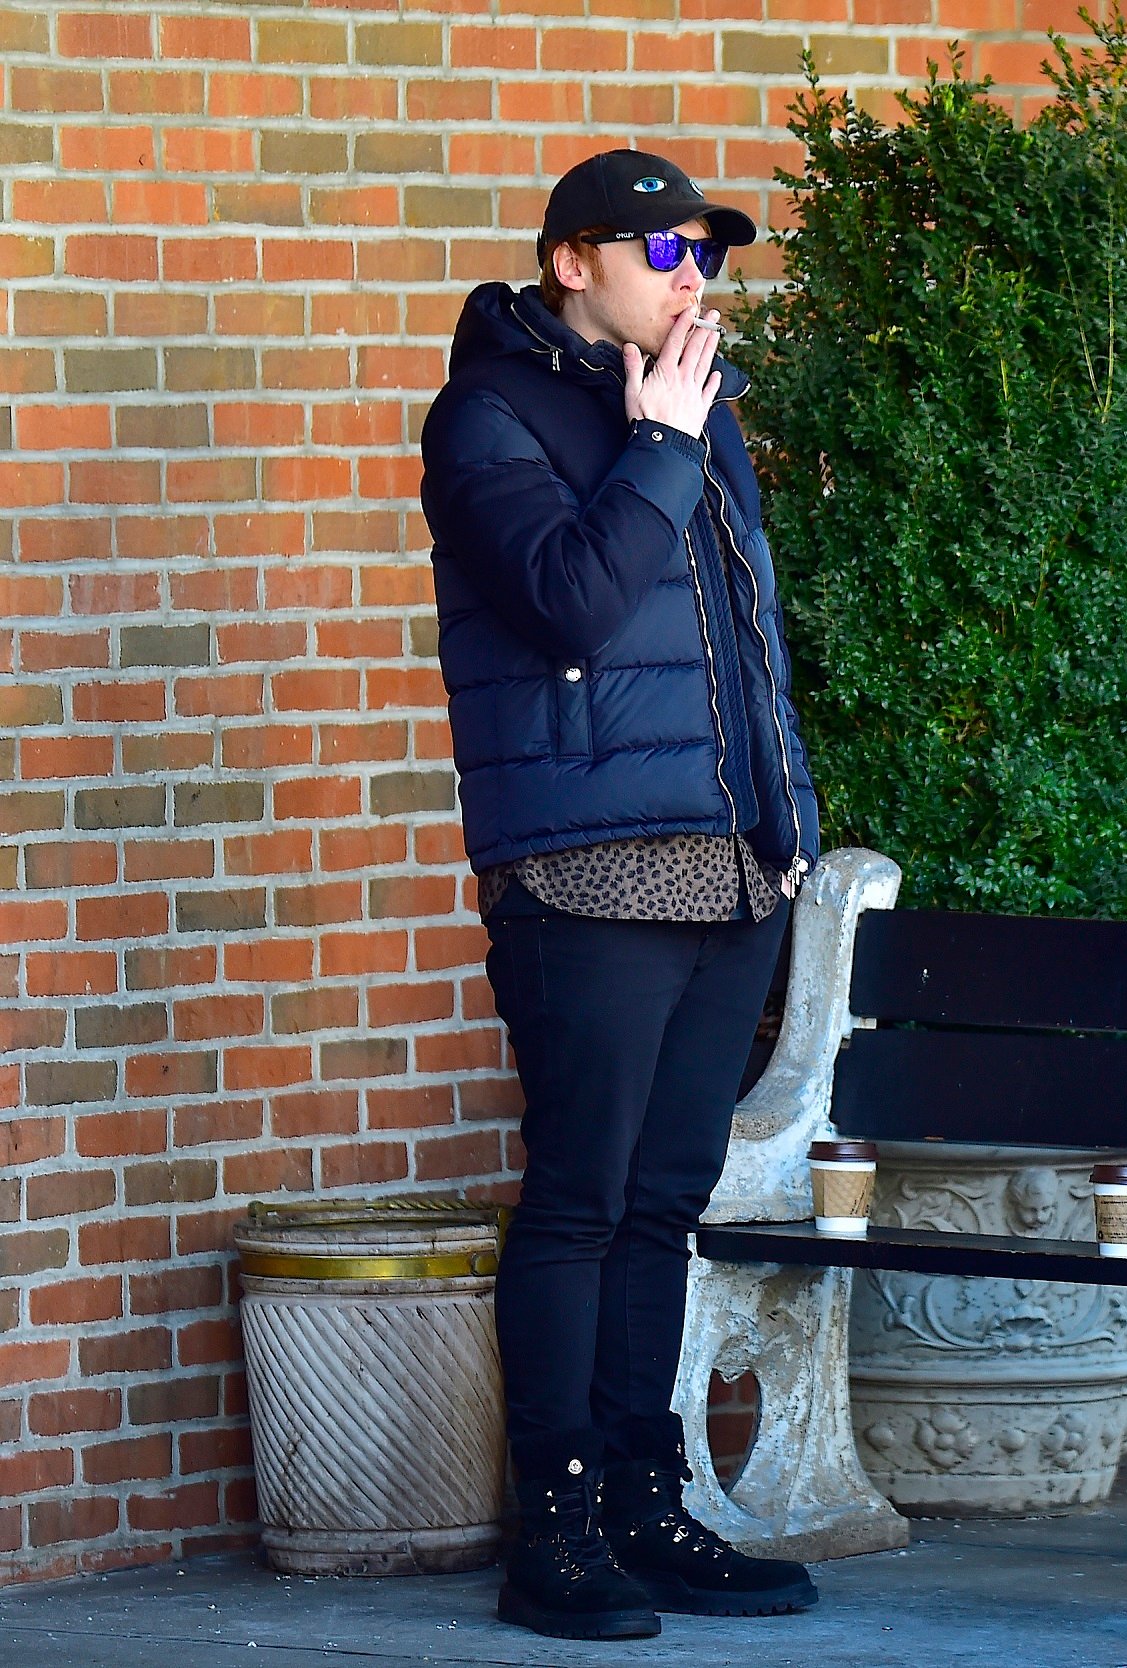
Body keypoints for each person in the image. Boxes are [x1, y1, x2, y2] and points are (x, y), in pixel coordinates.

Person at [420, 150, 821, 1642]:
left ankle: (651, 1510)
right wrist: (657, 442)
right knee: (580, 1205)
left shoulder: (698, 417)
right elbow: (573, 599)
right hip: (588, 872)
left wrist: (783, 829)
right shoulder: (487, 417)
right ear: (572, 259)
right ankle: (559, 1533)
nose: (693, 278)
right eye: (666, 252)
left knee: (665, 1207)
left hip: (728, 868)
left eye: (708, 256)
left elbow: (746, 639)